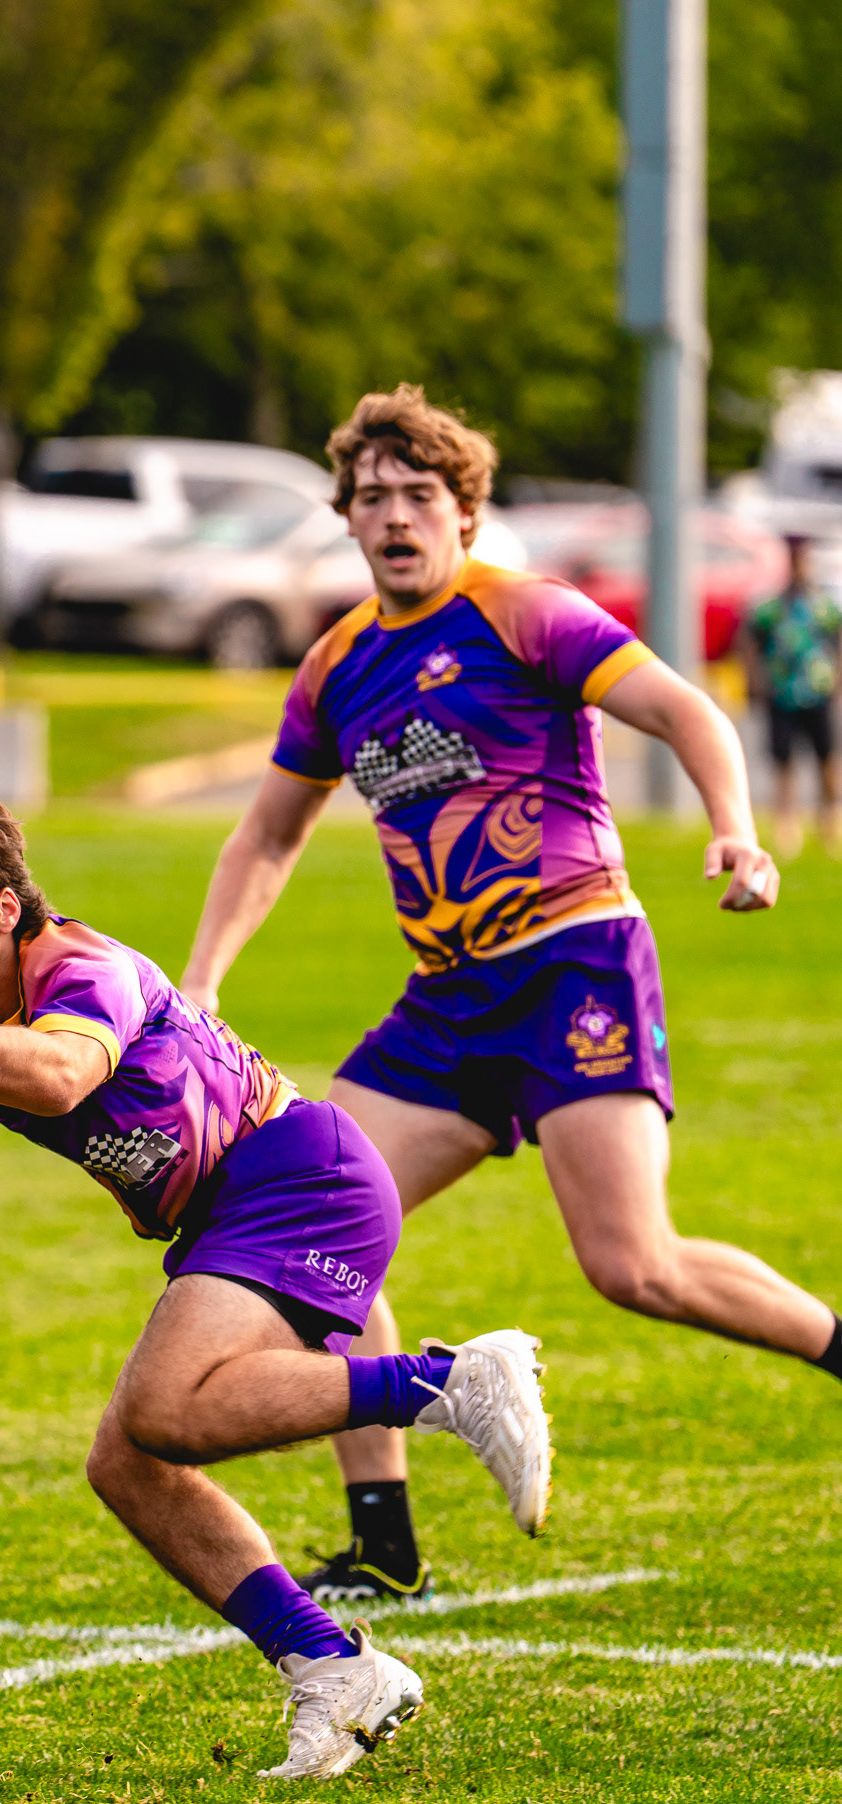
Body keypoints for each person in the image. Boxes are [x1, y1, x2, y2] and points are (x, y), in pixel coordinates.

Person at [180, 384, 841, 1603]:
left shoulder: (524, 611)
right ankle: (384, 1540)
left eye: (418, 493)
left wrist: (738, 831)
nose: (394, 515)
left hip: (574, 961)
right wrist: (203, 980)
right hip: (446, 1002)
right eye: (371, 496)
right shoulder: (335, 666)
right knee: (318, 1225)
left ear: (464, 509)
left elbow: (686, 708)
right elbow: (267, 835)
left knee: (633, 1263)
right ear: (346, 517)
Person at [0, 768, 550, 1780]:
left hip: (303, 1176)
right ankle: (333, 1667)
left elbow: (62, 1074)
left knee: (165, 1410)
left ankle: (452, 1383)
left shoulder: (81, 967)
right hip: (231, 1214)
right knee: (128, 1463)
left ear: (7, 908)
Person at [740, 535, 839, 860]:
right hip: (781, 692)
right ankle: (787, 824)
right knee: (783, 761)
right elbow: (750, 642)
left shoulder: (824, 606)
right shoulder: (771, 607)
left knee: (827, 759)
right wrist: (754, 681)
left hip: (818, 690)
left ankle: (830, 819)